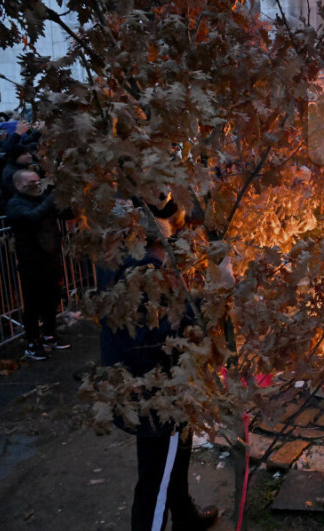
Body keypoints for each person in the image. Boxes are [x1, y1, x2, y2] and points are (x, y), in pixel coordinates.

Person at [100, 228, 218, 531]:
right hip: (156, 392)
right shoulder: (144, 271)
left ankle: (185, 515)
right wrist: (207, 304)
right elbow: (153, 338)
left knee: (176, 453)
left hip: (149, 385)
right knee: (155, 480)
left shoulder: (127, 257)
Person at [6, 169, 70, 360]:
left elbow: (65, 214)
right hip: (31, 262)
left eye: (37, 181)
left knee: (52, 299)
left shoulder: (42, 199)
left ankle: (50, 334)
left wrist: (65, 200)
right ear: (18, 185)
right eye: (30, 182)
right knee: (33, 304)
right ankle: (32, 342)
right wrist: (52, 198)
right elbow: (32, 217)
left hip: (51, 257)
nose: (36, 185)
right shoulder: (15, 204)